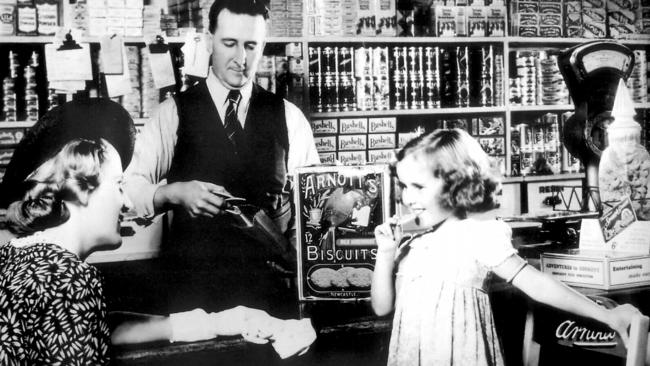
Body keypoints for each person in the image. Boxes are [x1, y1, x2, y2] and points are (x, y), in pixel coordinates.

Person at [0, 99, 312, 365]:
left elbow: (103, 324)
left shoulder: (20, 259)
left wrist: (224, 321)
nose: (125, 201)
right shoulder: (69, 280)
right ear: (80, 189)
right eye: (119, 186)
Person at [371, 128, 642, 366]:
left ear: (457, 185)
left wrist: (606, 315)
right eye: (403, 186)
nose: (407, 197)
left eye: (418, 186)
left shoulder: (477, 234)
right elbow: (382, 308)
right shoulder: (413, 245)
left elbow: (537, 284)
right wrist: (385, 254)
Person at [124, 0, 319, 314]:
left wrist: (297, 256)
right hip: (194, 298)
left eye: (251, 46)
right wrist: (171, 193)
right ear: (209, 38)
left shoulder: (289, 117)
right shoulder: (173, 112)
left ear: (263, 46)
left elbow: (311, 207)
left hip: (268, 299)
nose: (240, 59)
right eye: (230, 44)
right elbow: (128, 188)